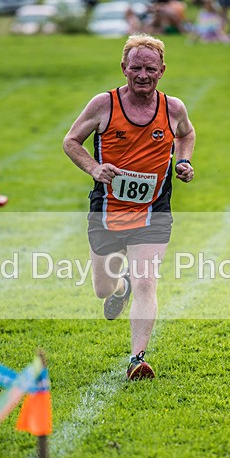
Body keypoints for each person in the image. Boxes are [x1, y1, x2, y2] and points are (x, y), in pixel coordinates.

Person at [63, 34, 196, 381]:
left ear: (162, 71)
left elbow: (186, 134)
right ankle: (119, 288)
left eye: (150, 69)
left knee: (147, 282)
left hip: (153, 212)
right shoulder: (103, 105)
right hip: (107, 210)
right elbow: (70, 141)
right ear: (123, 68)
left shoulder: (173, 108)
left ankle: (137, 358)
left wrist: (183, 162)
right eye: (135, 67)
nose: (142, 75)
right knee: (102, 289)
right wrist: (94, 168)